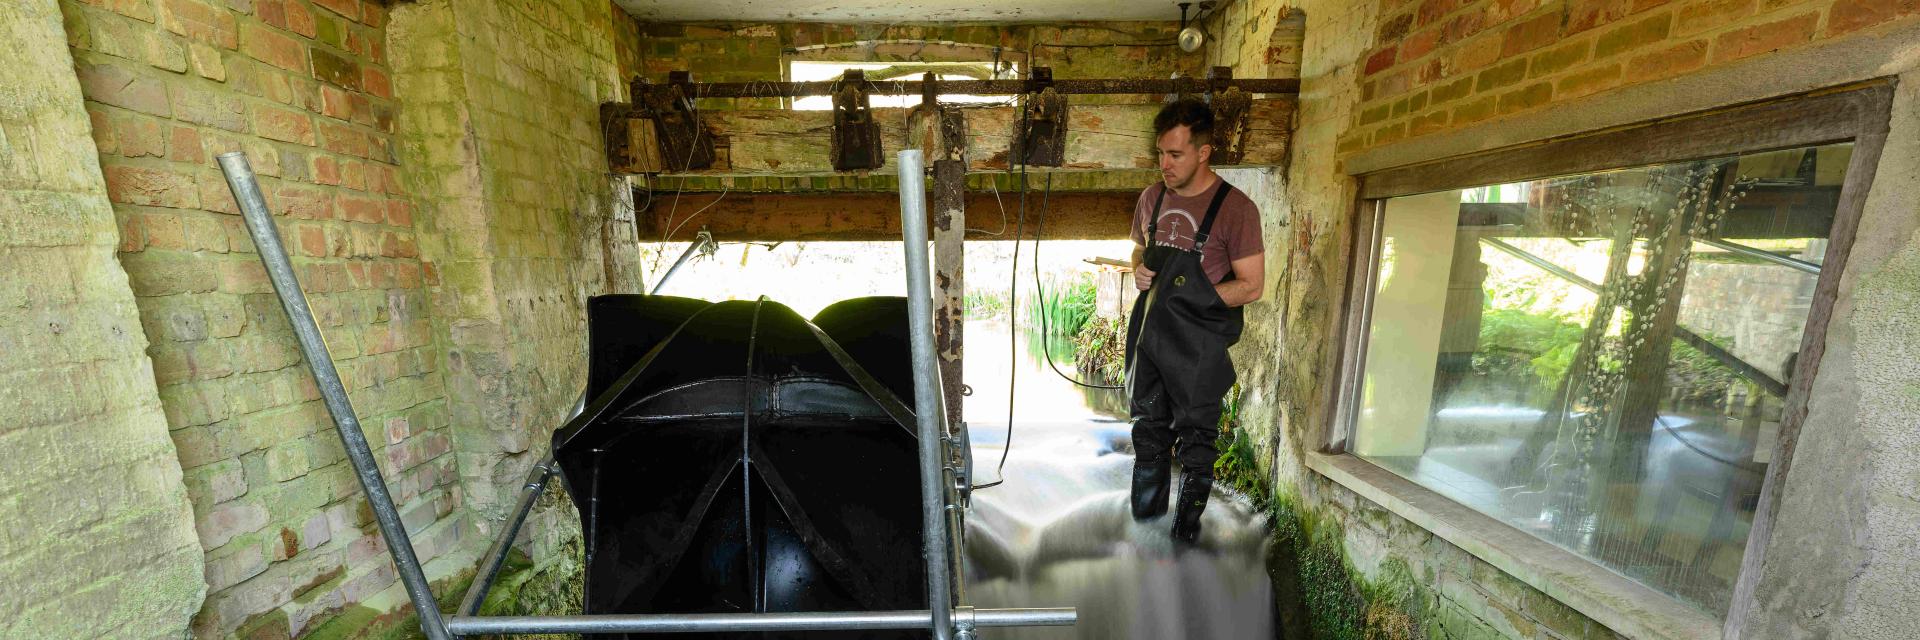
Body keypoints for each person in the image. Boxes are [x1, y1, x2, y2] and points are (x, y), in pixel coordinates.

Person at [1125, 98, 1265, 545]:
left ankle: (1183, 541)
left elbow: (1251, 285)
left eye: (1175, 154)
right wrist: (1138, 266)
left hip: (1199, 346)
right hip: (1148, 339)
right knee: (1148, 434)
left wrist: (1191, 298)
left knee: (1197, 445)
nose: (1164, 164)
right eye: (1160, 154)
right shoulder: (1152, 198)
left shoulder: (1236, 209)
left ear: (1203, 152)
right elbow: (1137, 249)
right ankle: (1144, 534)